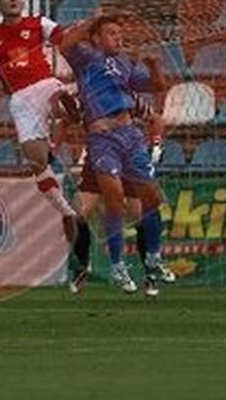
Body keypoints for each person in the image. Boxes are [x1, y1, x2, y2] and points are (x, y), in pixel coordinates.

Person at [59, 15, 170, 296]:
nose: (118, 37)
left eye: (120, 33)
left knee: (152, 201)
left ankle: (153, 260)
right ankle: (116, 264)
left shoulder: (125, 65)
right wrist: (93, 21)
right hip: (102, 138)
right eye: (111, 32)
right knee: (113, 200)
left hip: (130, 135)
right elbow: (65, 43)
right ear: (95, 38)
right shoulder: (86, 58)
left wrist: (155, 67)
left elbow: (157, 87)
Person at [0, 0, 82, 238]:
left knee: (59, 94)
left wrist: (83, 30)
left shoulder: (38, 23)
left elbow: (65, 38)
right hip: (21, 100)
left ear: (23, 1)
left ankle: (67, 108)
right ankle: (67, 212)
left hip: (44, 83)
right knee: (37, 163)